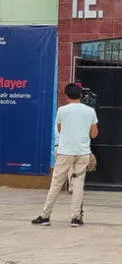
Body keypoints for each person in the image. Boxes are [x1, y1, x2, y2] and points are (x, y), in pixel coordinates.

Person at [32, 83, 99, 227]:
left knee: (56, 184)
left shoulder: (62, 110)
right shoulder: (90, 111)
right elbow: (94, 134)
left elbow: (60, 129)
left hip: (65, 152)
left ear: (66, 95)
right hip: (82, 153)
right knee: (78, 185)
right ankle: (76, 218)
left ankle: (45, 215)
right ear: (81, 95)